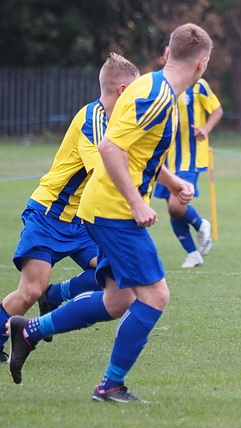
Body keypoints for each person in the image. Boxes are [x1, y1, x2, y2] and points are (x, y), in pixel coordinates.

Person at [6, 23, 213, 403]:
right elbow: (111, 150)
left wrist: (171, 183)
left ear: (167, 54)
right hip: (113, 211)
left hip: (100, 208)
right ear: (202, 65)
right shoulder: (158, 97)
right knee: (155, 297)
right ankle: (110, 385)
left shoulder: (147, 86)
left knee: (119, 300)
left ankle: (29, 331)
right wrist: (137, 202)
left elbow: (134, 150)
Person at [0, 53, 140, 363]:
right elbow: (102, 172)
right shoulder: (92, 119)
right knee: (29, 292)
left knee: (114, 275)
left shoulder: (116, 122)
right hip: (48, 216)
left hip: (79, 222)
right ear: (121, 90)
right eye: (135, 91)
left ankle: (57, 294)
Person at [153, 44, 223, 268]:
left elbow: (217, 110)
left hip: (189, 158)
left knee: (176, 206)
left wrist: (206, 129)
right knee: (172, 211)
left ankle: (201, 223)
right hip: (164, 159)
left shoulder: (198, 86)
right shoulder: (157, 85)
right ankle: (192, 253)